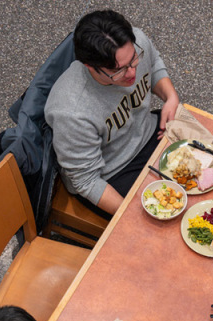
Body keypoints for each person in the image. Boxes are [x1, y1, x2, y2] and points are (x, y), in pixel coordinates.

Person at [44, 9, 180, 215]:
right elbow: (86, 181)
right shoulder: (71, 111)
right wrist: (132, 215)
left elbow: (154, 63)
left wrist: (170, 97)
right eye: (119, 70)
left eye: (134, 59)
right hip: (113, 172)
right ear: (90, 66)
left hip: (150, 131)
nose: (133, 72)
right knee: (167, 222)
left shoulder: (135, 43)